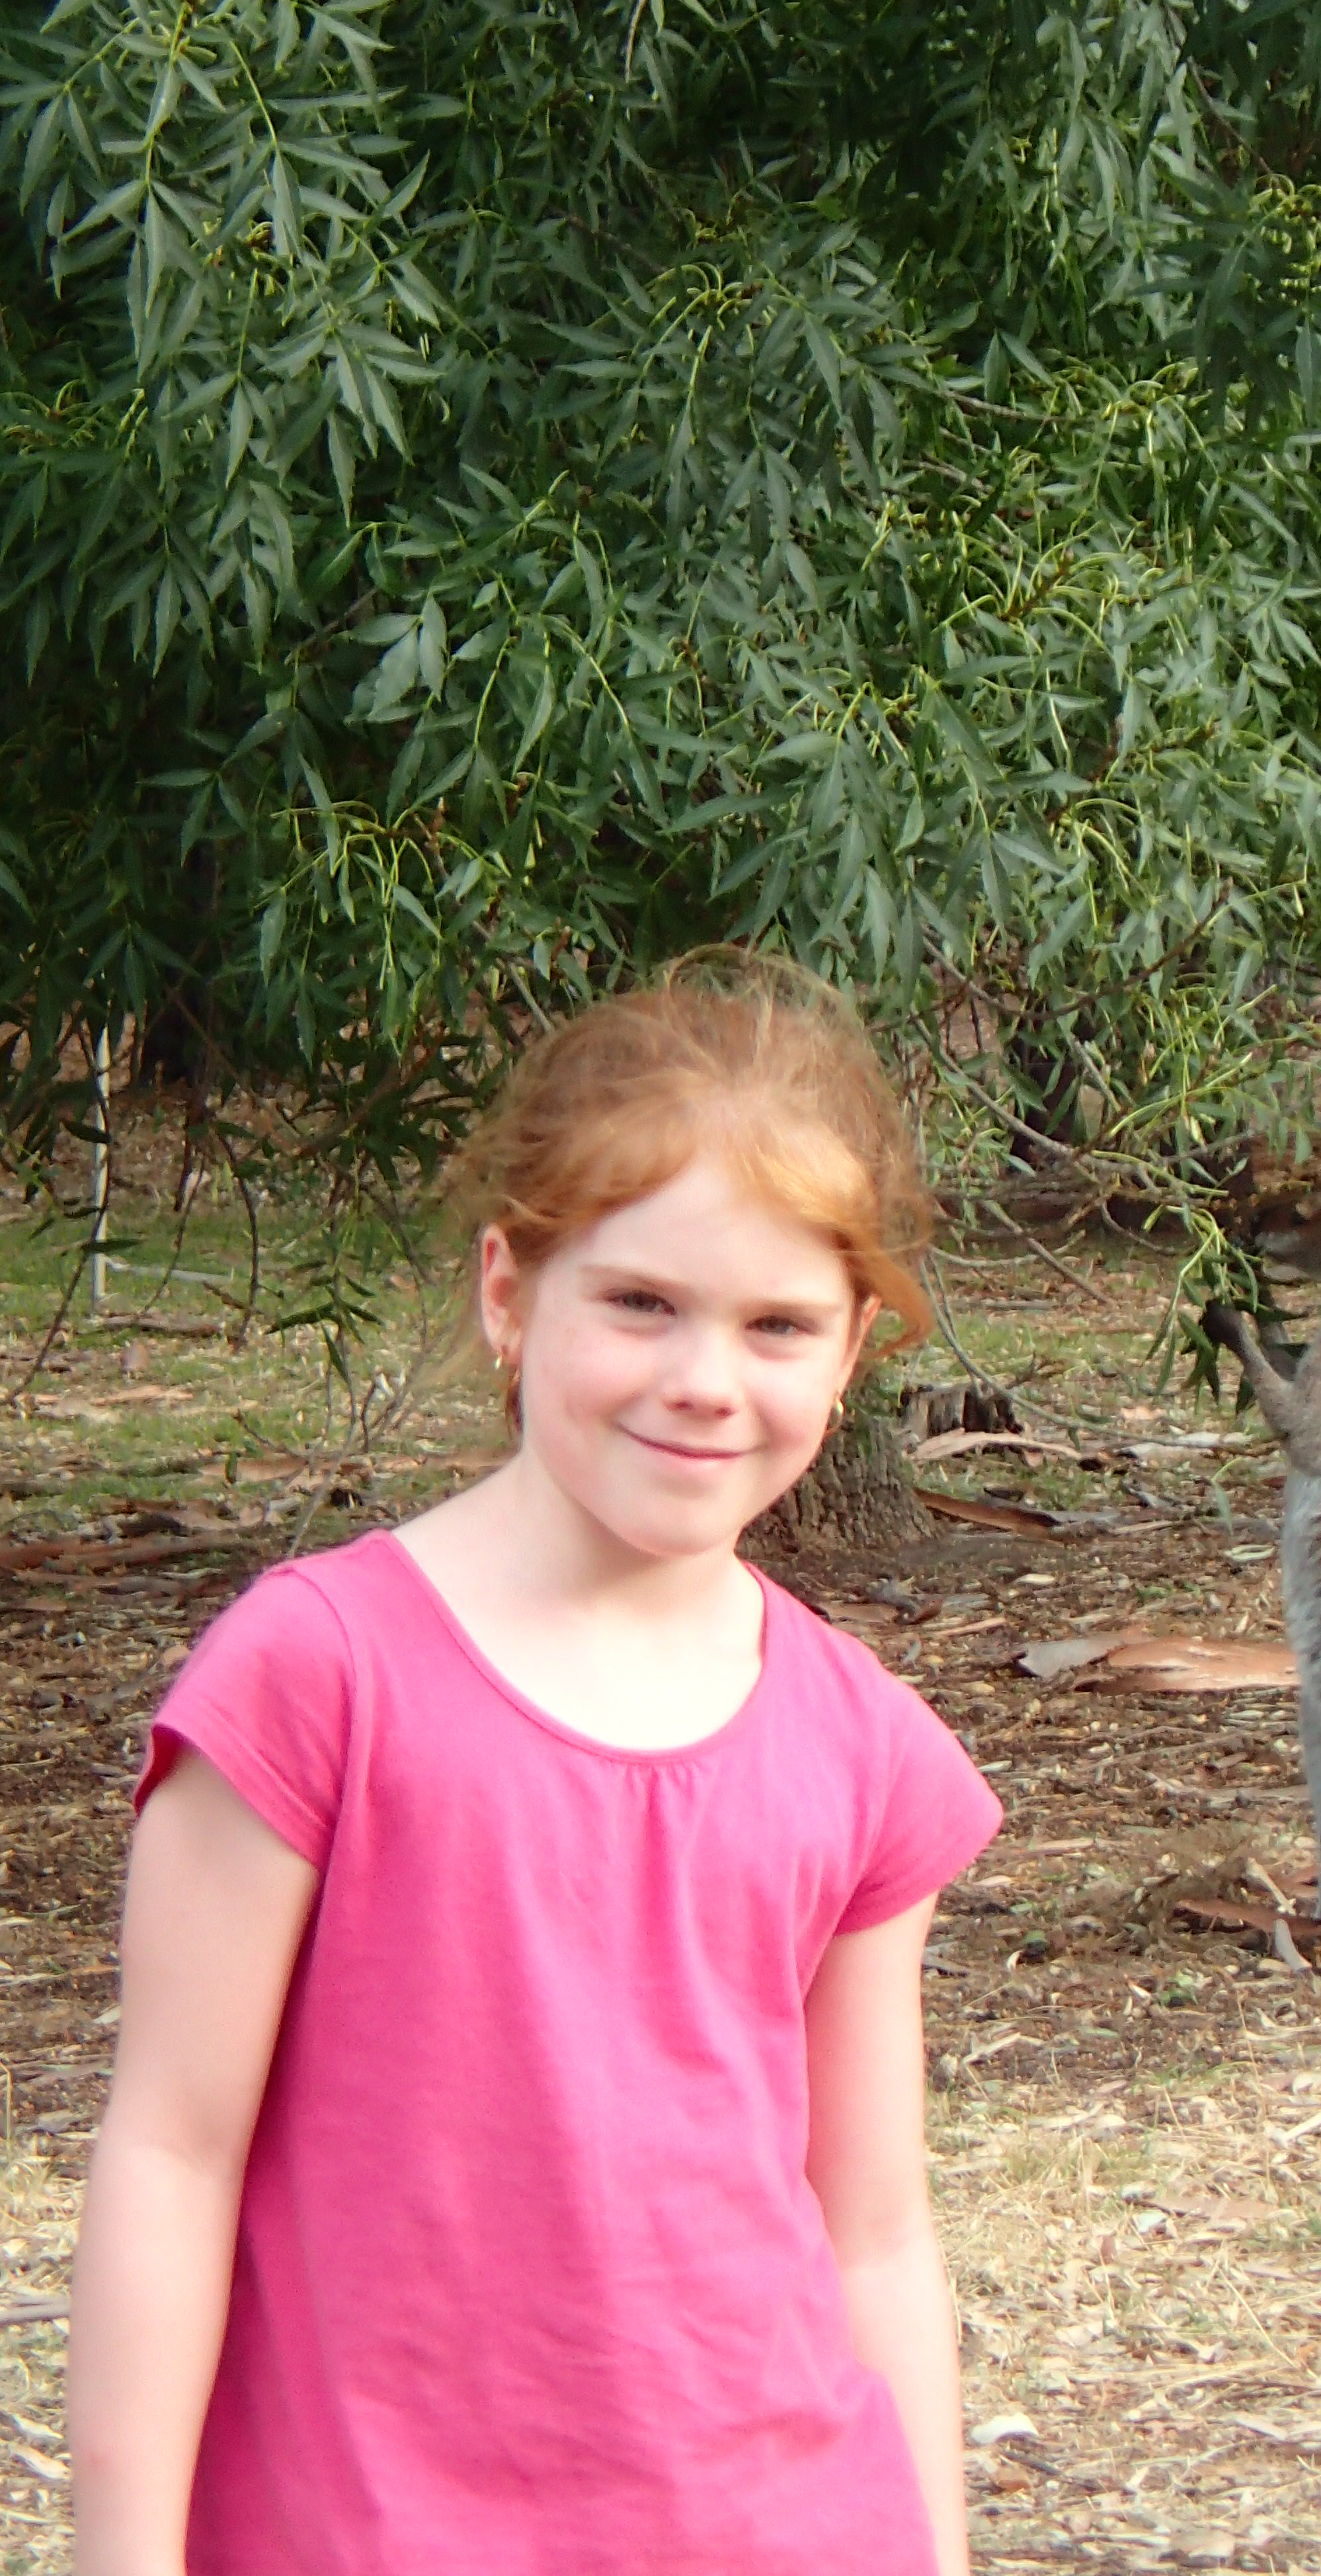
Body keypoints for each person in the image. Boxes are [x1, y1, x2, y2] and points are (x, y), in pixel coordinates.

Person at [67, 959, 1002, 2576]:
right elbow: (170, 2155)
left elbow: (874, 2232)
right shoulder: (314, 1678)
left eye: (778, 1324)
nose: (705, 1379)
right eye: (639, 1303)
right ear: (510, 1292)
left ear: (853, 1350)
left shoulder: (867, 1748)